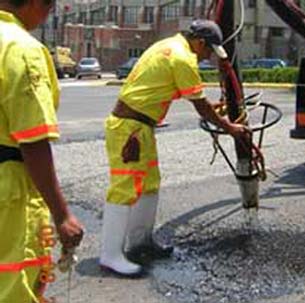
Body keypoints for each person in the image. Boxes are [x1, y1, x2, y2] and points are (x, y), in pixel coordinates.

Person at [100, 19, 249, 276]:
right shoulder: (183, 58)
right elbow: (200, 106)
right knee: (124, 188)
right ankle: (110, 255)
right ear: (200, 43)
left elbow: (185, 95)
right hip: (129, 129)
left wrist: (215, 111)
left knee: (149, 184)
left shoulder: (168, 46)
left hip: (139, 127)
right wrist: (230, 128)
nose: (207, 57)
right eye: (208, 51)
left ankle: (140, 243)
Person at [0, 0, 84, 301]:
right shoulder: (21, 49)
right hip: (9, 190)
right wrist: (62, 215)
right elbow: (32, 141)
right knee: (13, 279)